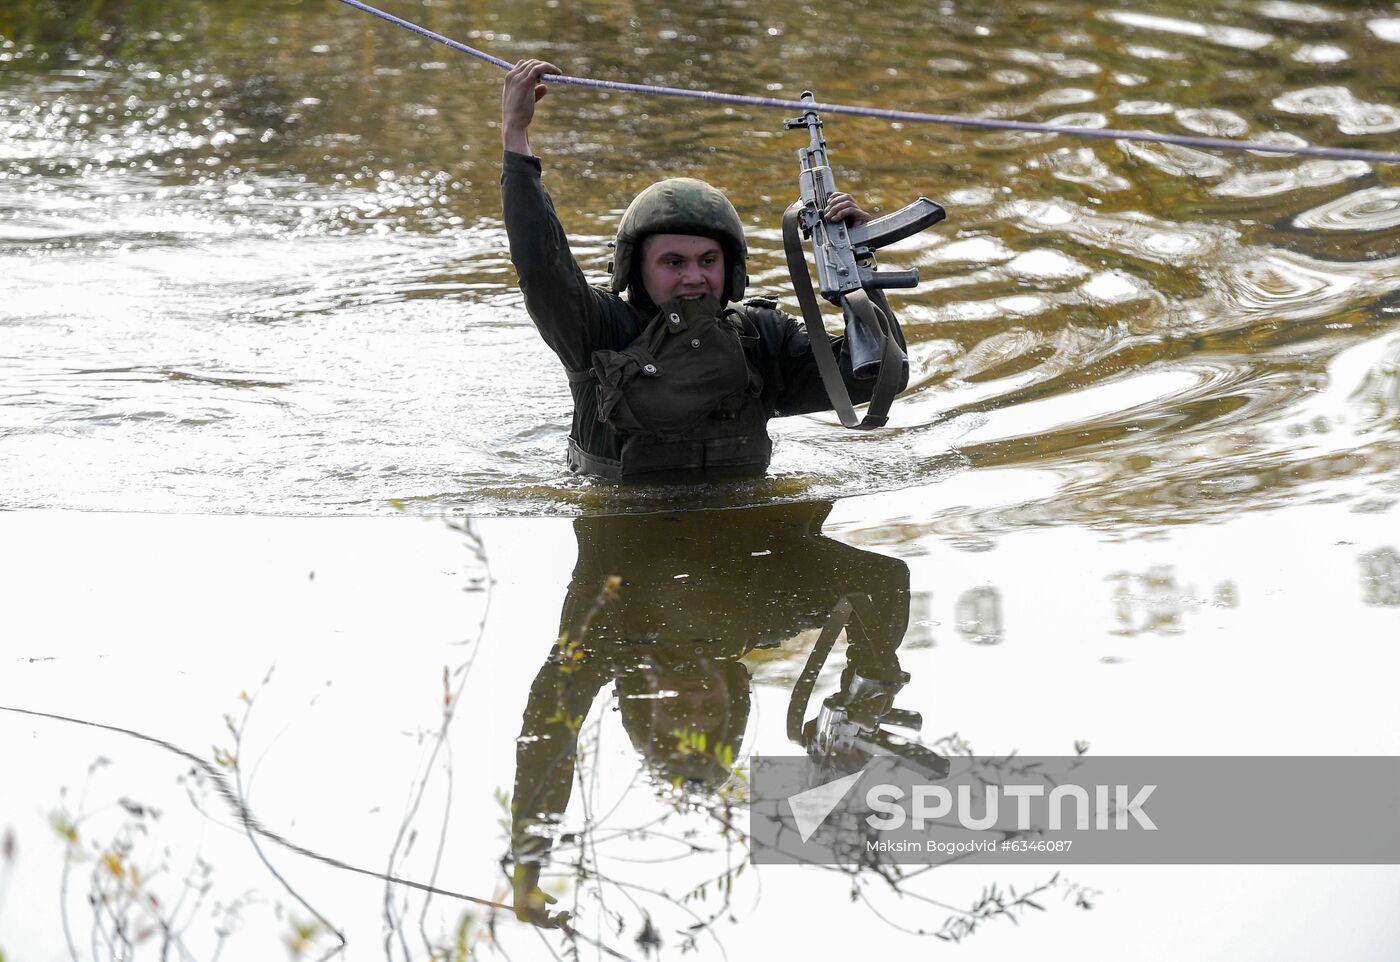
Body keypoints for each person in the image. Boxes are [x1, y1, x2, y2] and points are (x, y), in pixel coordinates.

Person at [500, 59, 910, 482]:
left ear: (730, 267)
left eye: (708, 261)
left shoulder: (762, 339)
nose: (694, 277)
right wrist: (516, 137)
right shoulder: (596, 330)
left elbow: (877, 379)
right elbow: (541, 266)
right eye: (673, 262)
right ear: (635, 269)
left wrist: (856, 266)